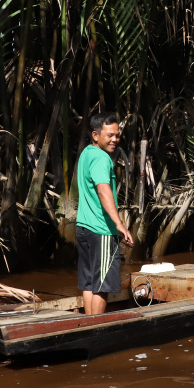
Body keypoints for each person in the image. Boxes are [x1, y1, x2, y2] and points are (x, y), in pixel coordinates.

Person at [76, 112, 134, 315]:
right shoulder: (102, 159)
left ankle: (88, 325)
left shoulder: (86, 154)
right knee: (103, 284)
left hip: (83, 227)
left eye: (117, 135)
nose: (115, 140)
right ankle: (95, 328)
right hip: (101, 229)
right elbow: (103, 190)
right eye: (109, 135)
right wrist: (118, 224)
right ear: (95, 135)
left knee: (89, 282)